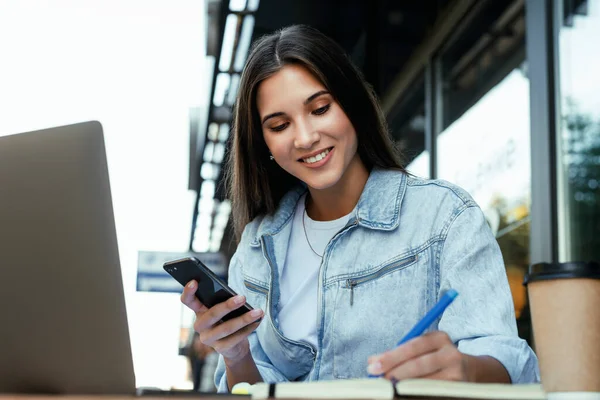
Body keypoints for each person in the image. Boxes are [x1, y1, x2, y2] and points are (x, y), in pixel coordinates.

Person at [180, 25, 540, 392]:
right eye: (280, 124)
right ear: (264, 144)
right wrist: (237, 354)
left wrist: (466, 370)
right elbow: (251, 390)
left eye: (320, 109)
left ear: (351, 104)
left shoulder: (444, 217)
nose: (305, 138)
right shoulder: (257, 244)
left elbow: (507, 359)